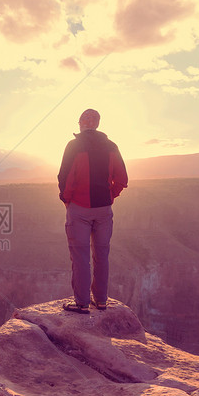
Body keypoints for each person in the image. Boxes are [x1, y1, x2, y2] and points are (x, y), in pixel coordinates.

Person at [57, 108, 128, 314]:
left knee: (80, 256)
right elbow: (122, 179)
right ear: (97, 124)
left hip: (79, 208)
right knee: (102, 255)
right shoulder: (111, 146)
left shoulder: (74, 145)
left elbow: (65, 178)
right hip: (104, 210)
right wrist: (110, 196)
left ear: (80, 123)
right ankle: (102, 301)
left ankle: (82, 303)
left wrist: (67, 200)